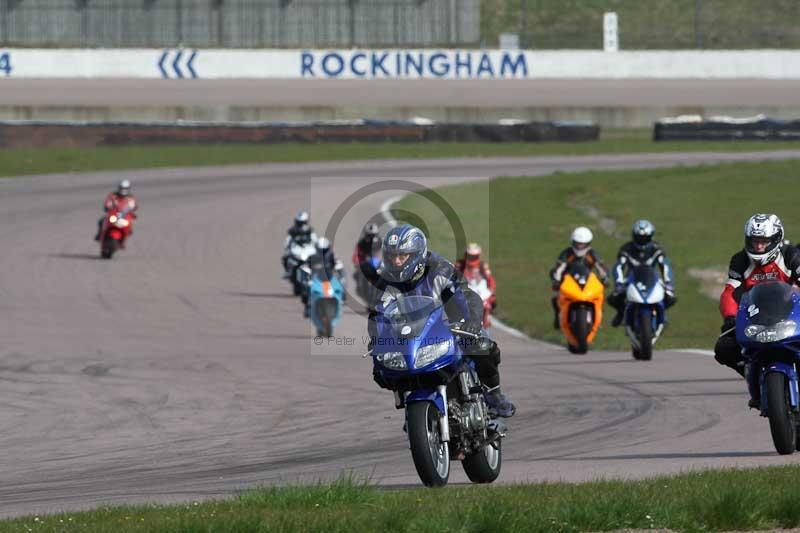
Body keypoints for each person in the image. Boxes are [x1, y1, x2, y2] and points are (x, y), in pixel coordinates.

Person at [368, 224, 515, 418]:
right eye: (392, 256)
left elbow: (467, 295)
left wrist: (471, 321)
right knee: (381, 370)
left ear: (417, 254)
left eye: (402, 256)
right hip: (412, 336)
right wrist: (378, 339)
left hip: (450, 326)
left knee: (482, 346)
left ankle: (494, 395)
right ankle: (418, 412)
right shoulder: (385, 282)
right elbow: (378, 314)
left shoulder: (440, 269)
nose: (396, 262)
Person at [714, 214, 800, 407]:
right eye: (754, 241)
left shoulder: (791, 256)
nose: (759, 247)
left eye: (764, 242)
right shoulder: (740, 260)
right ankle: (751, 374)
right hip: (757, 319)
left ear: (776, 239)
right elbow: (730, 292)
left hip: (792, 316)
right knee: (724, 347)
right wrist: (730, 317)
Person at [608, 220, 676, 327]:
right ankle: (621, 313)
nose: (642, 241)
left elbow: (665, 266)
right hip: (631, 278)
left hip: (653, 278)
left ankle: (662, 315)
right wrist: (619, 283)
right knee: (614, 298)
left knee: (670, 297)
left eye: (645, 238)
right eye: (639, 238)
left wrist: (668, 283)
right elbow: (618, 267)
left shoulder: (656, 249)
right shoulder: (626, 249)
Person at [549, 227, 608, 329]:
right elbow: (559, 268)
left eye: (582, 244)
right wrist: (556, 281)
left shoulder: (592, 254)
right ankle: (558, 316)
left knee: (600, 296)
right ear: (573, 242)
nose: (580, 247)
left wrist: (605, 278)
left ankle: (598, 317)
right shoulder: (567, 253)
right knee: (556, 298)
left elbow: (601, 267)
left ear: (588, 243)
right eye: (577, 244)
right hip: (569, 280)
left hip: (587, 280)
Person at [302, 237, 346, 317]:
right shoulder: (312, 257)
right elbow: (305, 268)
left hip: (329, 279)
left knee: (342, 283)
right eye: (320, 250)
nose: (322, 252)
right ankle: (308, 306)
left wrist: (341, 275)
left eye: (324, 250)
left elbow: (339, 266)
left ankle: (341, 301)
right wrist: (306, 277)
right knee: (307, 287)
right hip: (315, 279)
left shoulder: (332, 256)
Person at [455, 243, 497, 324]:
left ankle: (485, 322)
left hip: (479, 292)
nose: (471, 259)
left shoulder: (482, 266)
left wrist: (491, 292)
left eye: (474, 257)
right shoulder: (459, 265)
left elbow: (490, 280)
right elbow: (452, 278)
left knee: (487, 304)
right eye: (469, 256)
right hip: (464, 291)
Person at [281, 211, 318, 277]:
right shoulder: (292, 231)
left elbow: (315, 239)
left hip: (308, 249)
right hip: (297, 249)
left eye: (302, 222)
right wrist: (286, 246)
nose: (301, 224)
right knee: (285, 257)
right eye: (299, 222)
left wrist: (317, 246)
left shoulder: (309, 230)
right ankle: (288, 271)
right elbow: (288, 240)